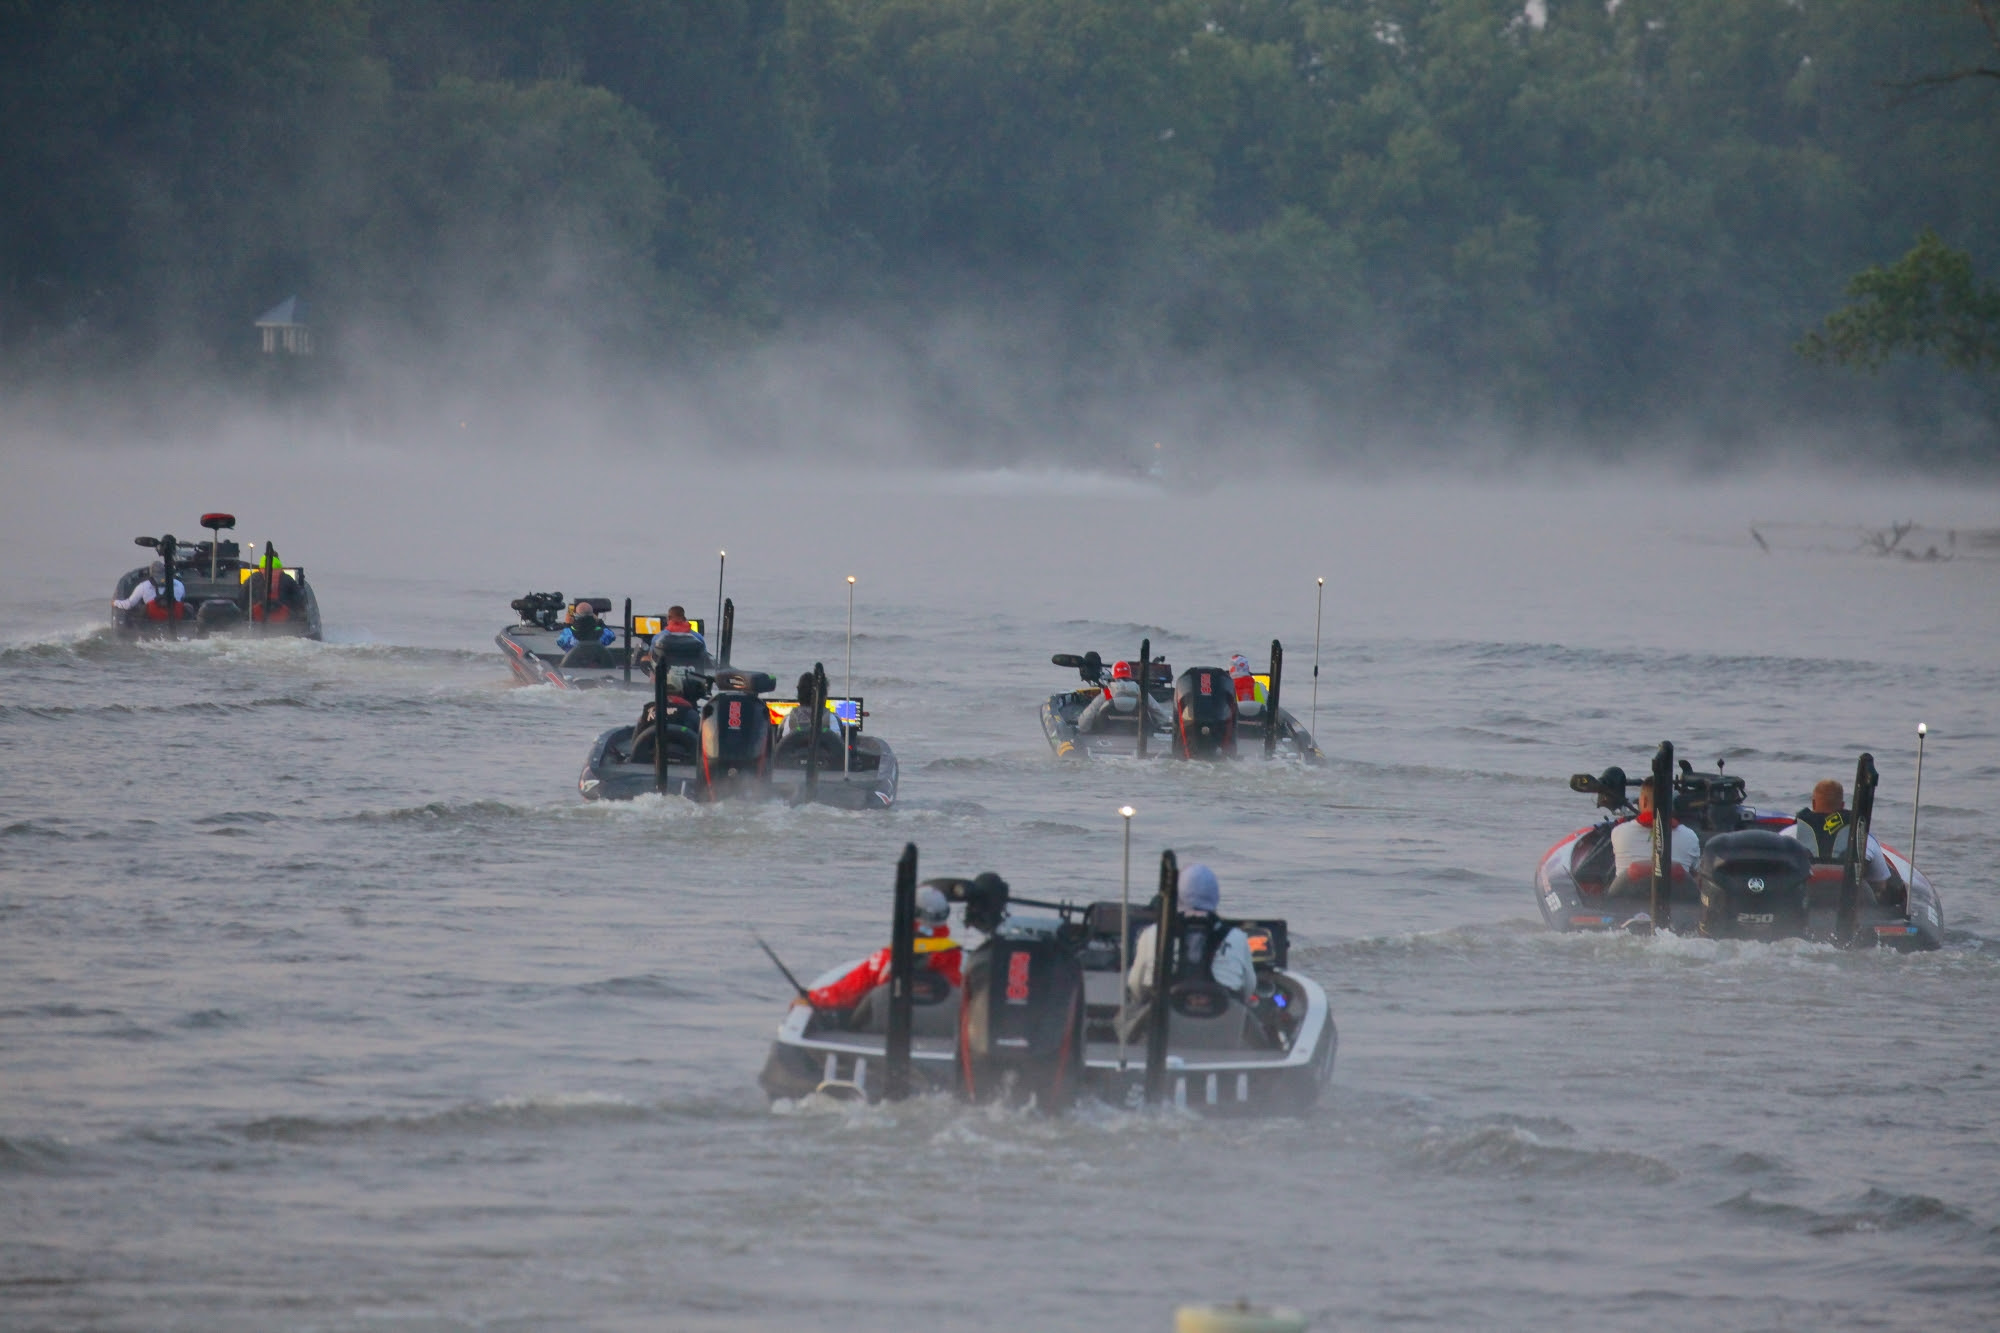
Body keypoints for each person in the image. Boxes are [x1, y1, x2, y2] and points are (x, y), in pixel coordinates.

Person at [806, 885, 962, 1010]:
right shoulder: (955, 957)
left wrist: (812, 997)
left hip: (883, 1029)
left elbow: (849, 991)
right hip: (940, 1031)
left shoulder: (889, 957)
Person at [1126, 863, 1257, 1002]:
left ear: (1176, 896)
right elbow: (1249, 988)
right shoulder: (1237, 937)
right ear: (1216, 896)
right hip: (1222, 1011)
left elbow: (1135, 985)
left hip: (1163, 1010)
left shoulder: (1152, 933)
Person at [1789, 778, 1898, 901]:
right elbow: (1881, 884)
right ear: (1842, 805)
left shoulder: (1791, 834)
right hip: (1848, 904)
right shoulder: (1863, 837)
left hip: (1804, 902)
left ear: (1813, 804)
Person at [1608, 777, 1702, 887]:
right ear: (1670, 803)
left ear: (1644, 801)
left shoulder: (1619, 833)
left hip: (1627, 895)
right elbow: (1696, 873)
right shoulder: (1690, 837)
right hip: (1674, 897)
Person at [112, 559, 187, 622]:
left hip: (153, 618)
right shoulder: (179, 584)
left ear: (151, 573)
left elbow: (129, 605)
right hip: (174, 616)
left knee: (140, 608)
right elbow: (182, 599)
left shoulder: (143, 586)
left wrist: (115, 602)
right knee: (188, 606)